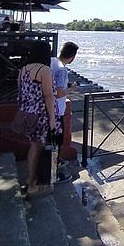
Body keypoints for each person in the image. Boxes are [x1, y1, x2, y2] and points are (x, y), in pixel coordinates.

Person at [18, 40, 57, 199]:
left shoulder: (23, 70)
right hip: (41, 114)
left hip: (27, 112)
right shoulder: (44, 70)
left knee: (33, 146)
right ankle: (34, 185)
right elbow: (48, 96)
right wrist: (52, 119)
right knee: (38, 147)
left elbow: (21, 93)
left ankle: (30, 180)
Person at [50, 41, 79, 183]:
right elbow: (59, 93)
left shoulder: (52, 62)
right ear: (72, 57)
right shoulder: (62, 70)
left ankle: (53, 166)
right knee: (56, 141)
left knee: (50, 141)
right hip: (57, 111)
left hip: (47, 108)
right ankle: (53, 173)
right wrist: (72, 88)